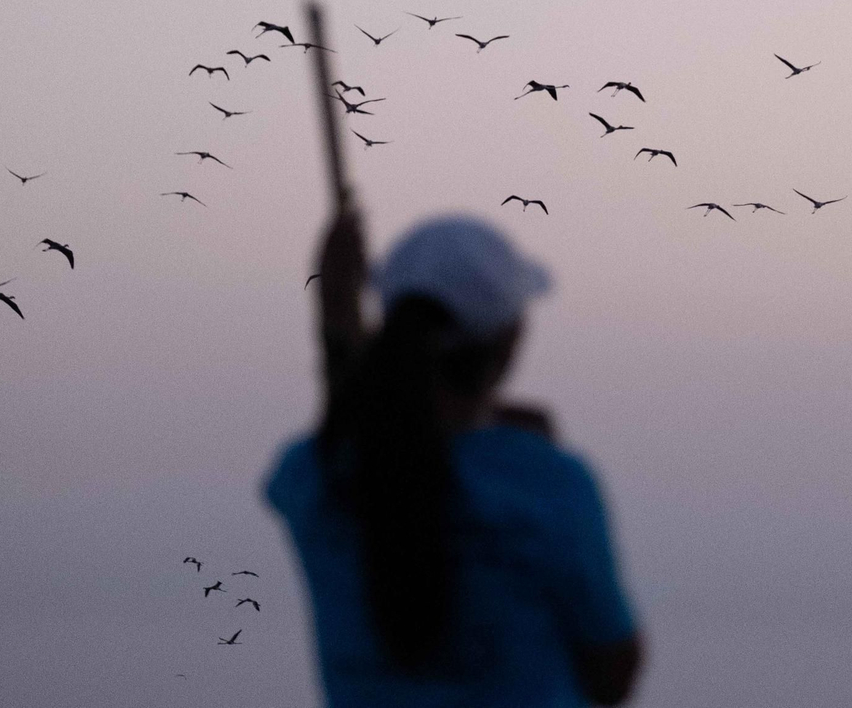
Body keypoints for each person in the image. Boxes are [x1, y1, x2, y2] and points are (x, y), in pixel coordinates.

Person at [265, 211, 644, 707]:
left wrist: (335, 314)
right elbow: (613, 674)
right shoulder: (549, 485)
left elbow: (363, 430)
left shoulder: (315, 478)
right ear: (510, 340)